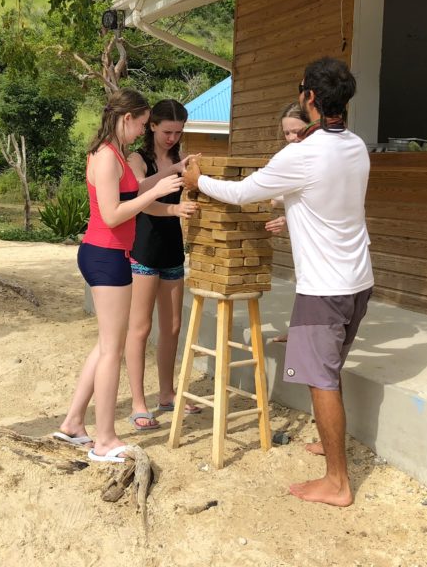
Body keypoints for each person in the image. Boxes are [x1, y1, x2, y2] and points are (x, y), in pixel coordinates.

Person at [183, 56, 374, 506]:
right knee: (328, 372)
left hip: (324, 289)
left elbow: (243, 192)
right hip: (359, 282)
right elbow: (329, 203)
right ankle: (331, 453)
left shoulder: (302, 154)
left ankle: (337, 482)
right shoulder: (356, 146)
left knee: (321, 380)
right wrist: (293, 217)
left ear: (309, 97)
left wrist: (198, 178)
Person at [56, 88, 184, 464]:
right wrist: (157, 192)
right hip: (106, 255)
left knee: (104, 345)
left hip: (107, 253)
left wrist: (170, 173)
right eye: (143, 124)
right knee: (114, 350)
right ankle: (105, 439)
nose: (142, 131)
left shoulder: (111, 154)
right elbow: (113, 214)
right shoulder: (108, 158)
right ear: (127, 119)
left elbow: (133, 189)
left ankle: (74, 422)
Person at [124, 99, 199, 431]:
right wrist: (173, 208)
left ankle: (168, 395)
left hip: (172, 248)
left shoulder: (182, 161)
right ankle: (139, 402)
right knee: (140, 328)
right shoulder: (138, 159)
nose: (172, 138)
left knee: (172, 327)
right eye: (167, 131)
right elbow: (139, 196)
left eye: (178, 132)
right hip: (143, 248)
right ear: (151, 126)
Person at [265, 102, 310, 342]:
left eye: (298, 131)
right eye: (287, 133)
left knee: (311, 288)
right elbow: (276, 197)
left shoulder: (315, 158)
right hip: (304, 240)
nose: (292, 138)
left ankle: (303, 336)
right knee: (302, 283)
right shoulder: (288, 158)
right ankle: (297, 332)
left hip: (322, 244)